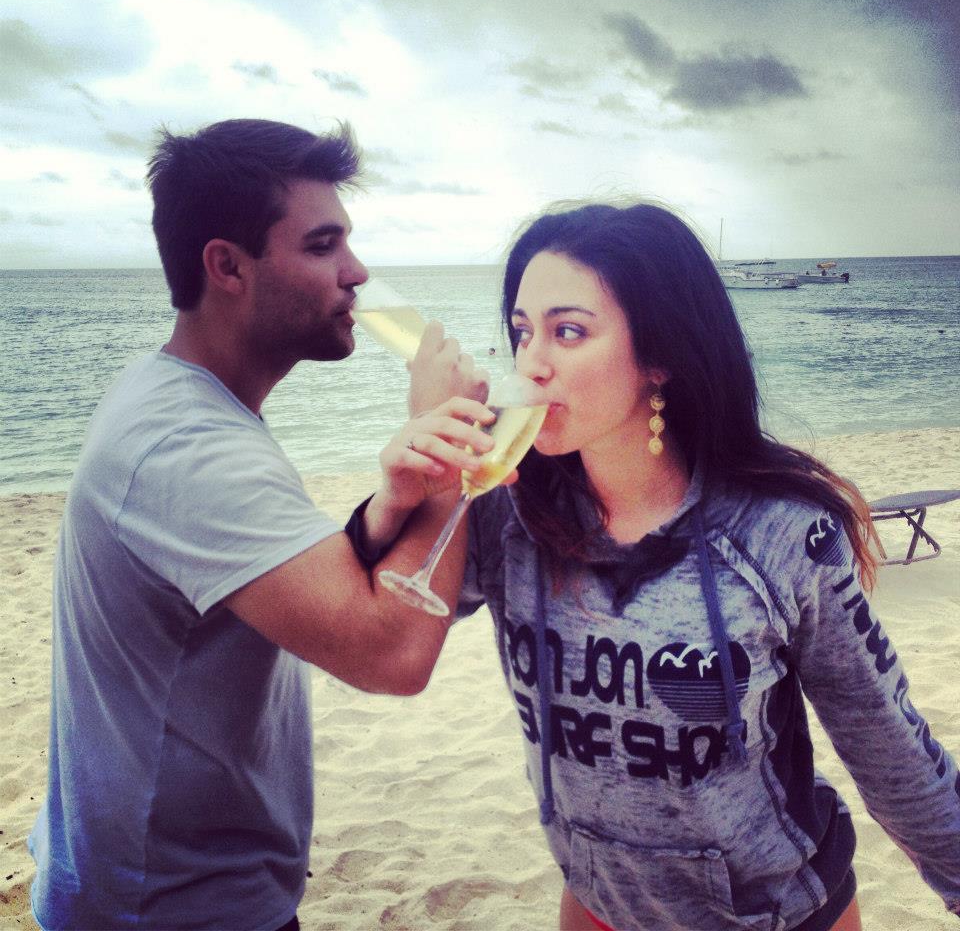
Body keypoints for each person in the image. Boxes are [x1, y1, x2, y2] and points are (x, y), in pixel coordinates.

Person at [373, 201, 960, 930]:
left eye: (568, 331)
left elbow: (885, 743)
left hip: (774, 916)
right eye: (522, 332)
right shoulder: (508, 512)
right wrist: (397, 500)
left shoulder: (779, 534)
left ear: (659, 356)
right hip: (597, 906)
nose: (530, 364)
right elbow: (387, 640)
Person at [28, 118, 490, 931]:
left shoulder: (179, 398)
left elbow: (301, 580)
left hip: (157, 886)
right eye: (322, 245)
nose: (357, 271)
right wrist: (452, 458)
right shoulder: (186, 445)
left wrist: (389, 507)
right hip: (166, 909)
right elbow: (390, 654)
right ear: (227, 267)